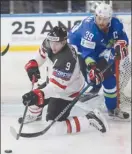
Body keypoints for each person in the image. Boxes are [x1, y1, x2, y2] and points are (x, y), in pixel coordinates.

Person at [18, 26, 108, 135]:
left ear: (64, 41)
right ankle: (35, 115)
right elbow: (41, 54)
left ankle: (89, 119)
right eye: (51, 42)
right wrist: (34, 64)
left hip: (66, 92)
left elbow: (56, 88)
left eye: (57, 43)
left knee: (55, 128)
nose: (53, 46)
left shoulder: (67, 59)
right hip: (53, 82)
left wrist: (39, 94)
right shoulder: (49, 42)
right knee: (32, 101)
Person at [68, 3, 130, 119]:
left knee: (109, 79)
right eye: (99, 18)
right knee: (90, 78)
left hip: (100, 48)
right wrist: (93, 68)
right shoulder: (89, 30)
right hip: (78, 49)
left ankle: (112, 108)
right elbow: (88, 53)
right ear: (95, 15)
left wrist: (122, 44)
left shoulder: (117, 25)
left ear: (110, 19)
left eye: (105, 19)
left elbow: (123, 38)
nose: (101, 22)